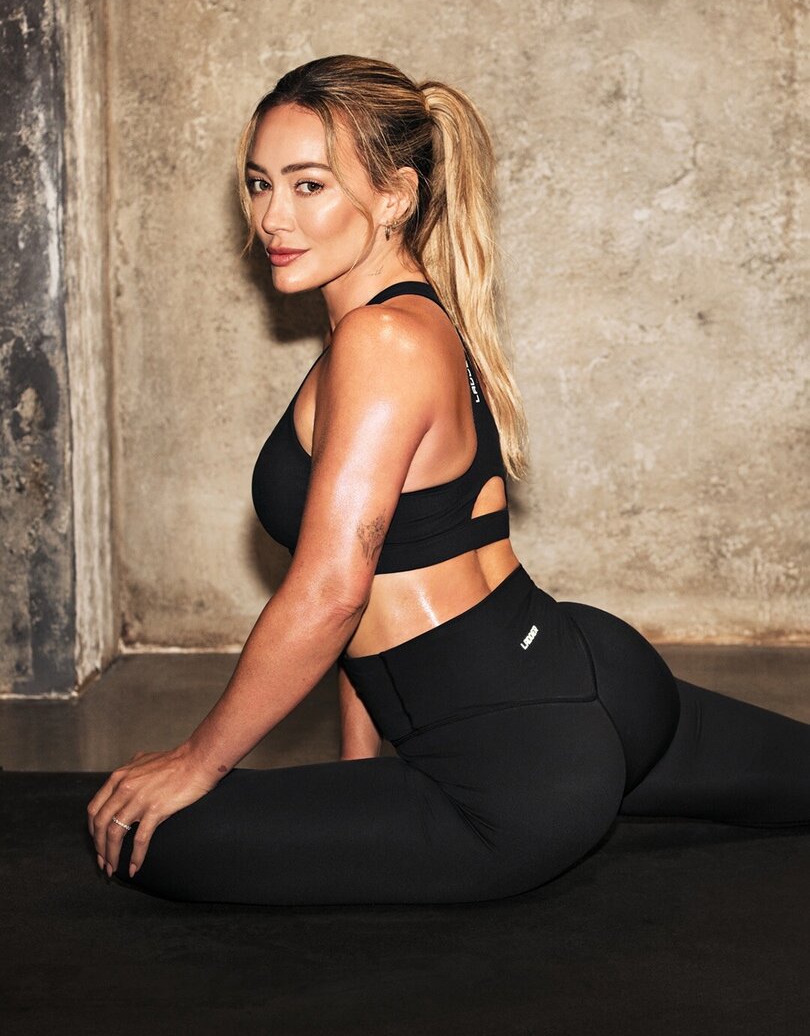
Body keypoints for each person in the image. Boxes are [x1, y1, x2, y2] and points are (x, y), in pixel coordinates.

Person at [87, 55, 810, 906]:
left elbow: (331, 594)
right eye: (259, 183)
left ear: (395, 197)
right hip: (598, 676)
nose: (273, 216)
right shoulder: (409, 320)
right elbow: (377, 575)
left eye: (309, 185)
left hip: (515, 777)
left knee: (151, 835)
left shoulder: (381, 343)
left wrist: (198, 759)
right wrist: (358, 773)